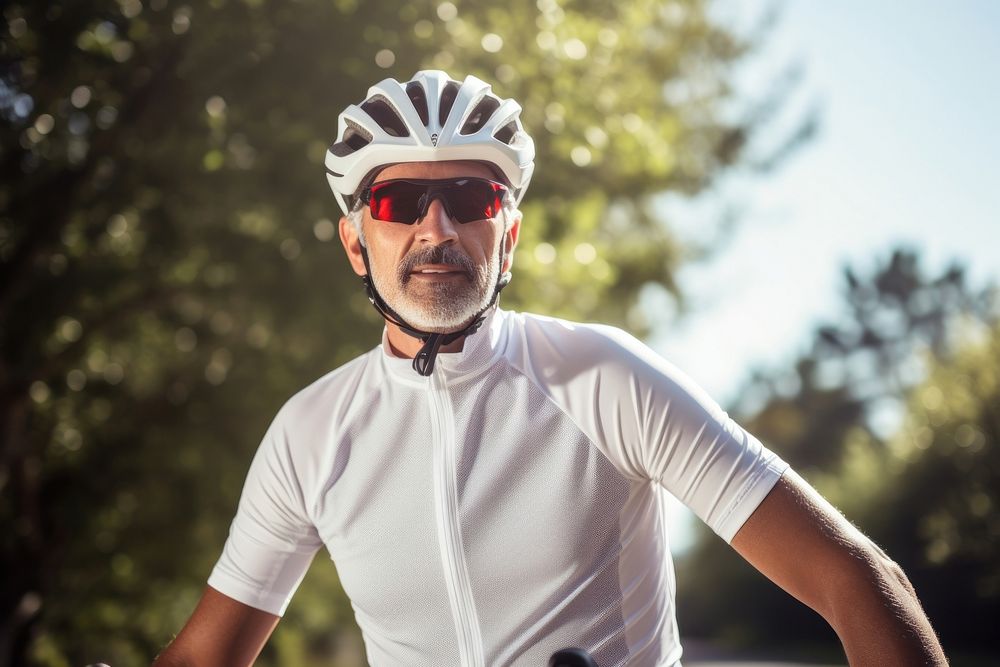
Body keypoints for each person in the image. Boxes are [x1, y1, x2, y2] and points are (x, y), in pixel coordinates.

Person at [153, 70, 947, 666]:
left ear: (511, 235)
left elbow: (856, 580)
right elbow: (201, 658)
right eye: (399, 202)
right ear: (357, 241)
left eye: (471, 196)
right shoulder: (310, 433)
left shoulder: (602, 377)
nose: (439, 227)